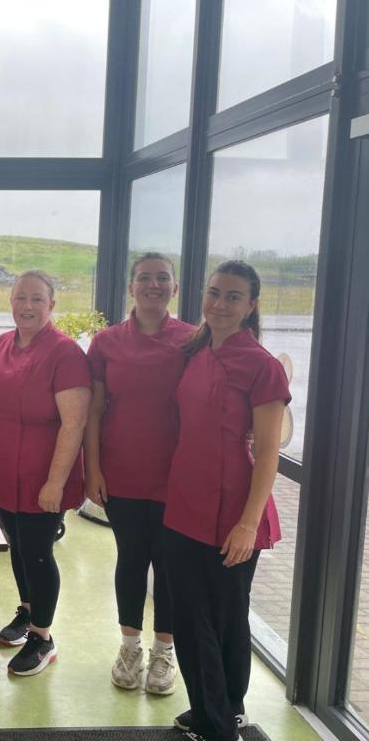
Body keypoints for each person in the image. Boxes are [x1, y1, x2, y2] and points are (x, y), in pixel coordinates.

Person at [164, 261, 289, 741]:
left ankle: (218, 723)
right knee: (191, 616)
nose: (219, 303)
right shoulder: (196, 351)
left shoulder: (262, 366)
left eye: (233, 296)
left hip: (234, 510)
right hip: (185, 502)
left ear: (251, 305)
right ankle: (216, 710)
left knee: (222, 619)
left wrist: (247, 524)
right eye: (214, 292)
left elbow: (268, 453)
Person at [84, 252, 193, 695]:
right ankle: (129, 646)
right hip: (121, 471)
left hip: (177, 475)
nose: (153, 285)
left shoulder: (193, 339)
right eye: (144, 278)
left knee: (169, 564)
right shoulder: (106, 343)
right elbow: (93, 410)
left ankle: (164, 651)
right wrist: (92, 468)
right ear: (131, 287)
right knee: (131, 558)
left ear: (175, 288)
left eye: (162, 277)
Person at [0, 270, 90, 676]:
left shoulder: (65, 353)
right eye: (20, 297)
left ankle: (43, 637)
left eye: (37, 299)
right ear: (10, 302)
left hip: (44, 476)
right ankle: (27, 611)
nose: (27, 306)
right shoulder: (0, 345)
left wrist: (55, 483)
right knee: (18, 547)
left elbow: (74, 424)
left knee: (38, 553)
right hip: (1, 471)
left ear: (51, 305)